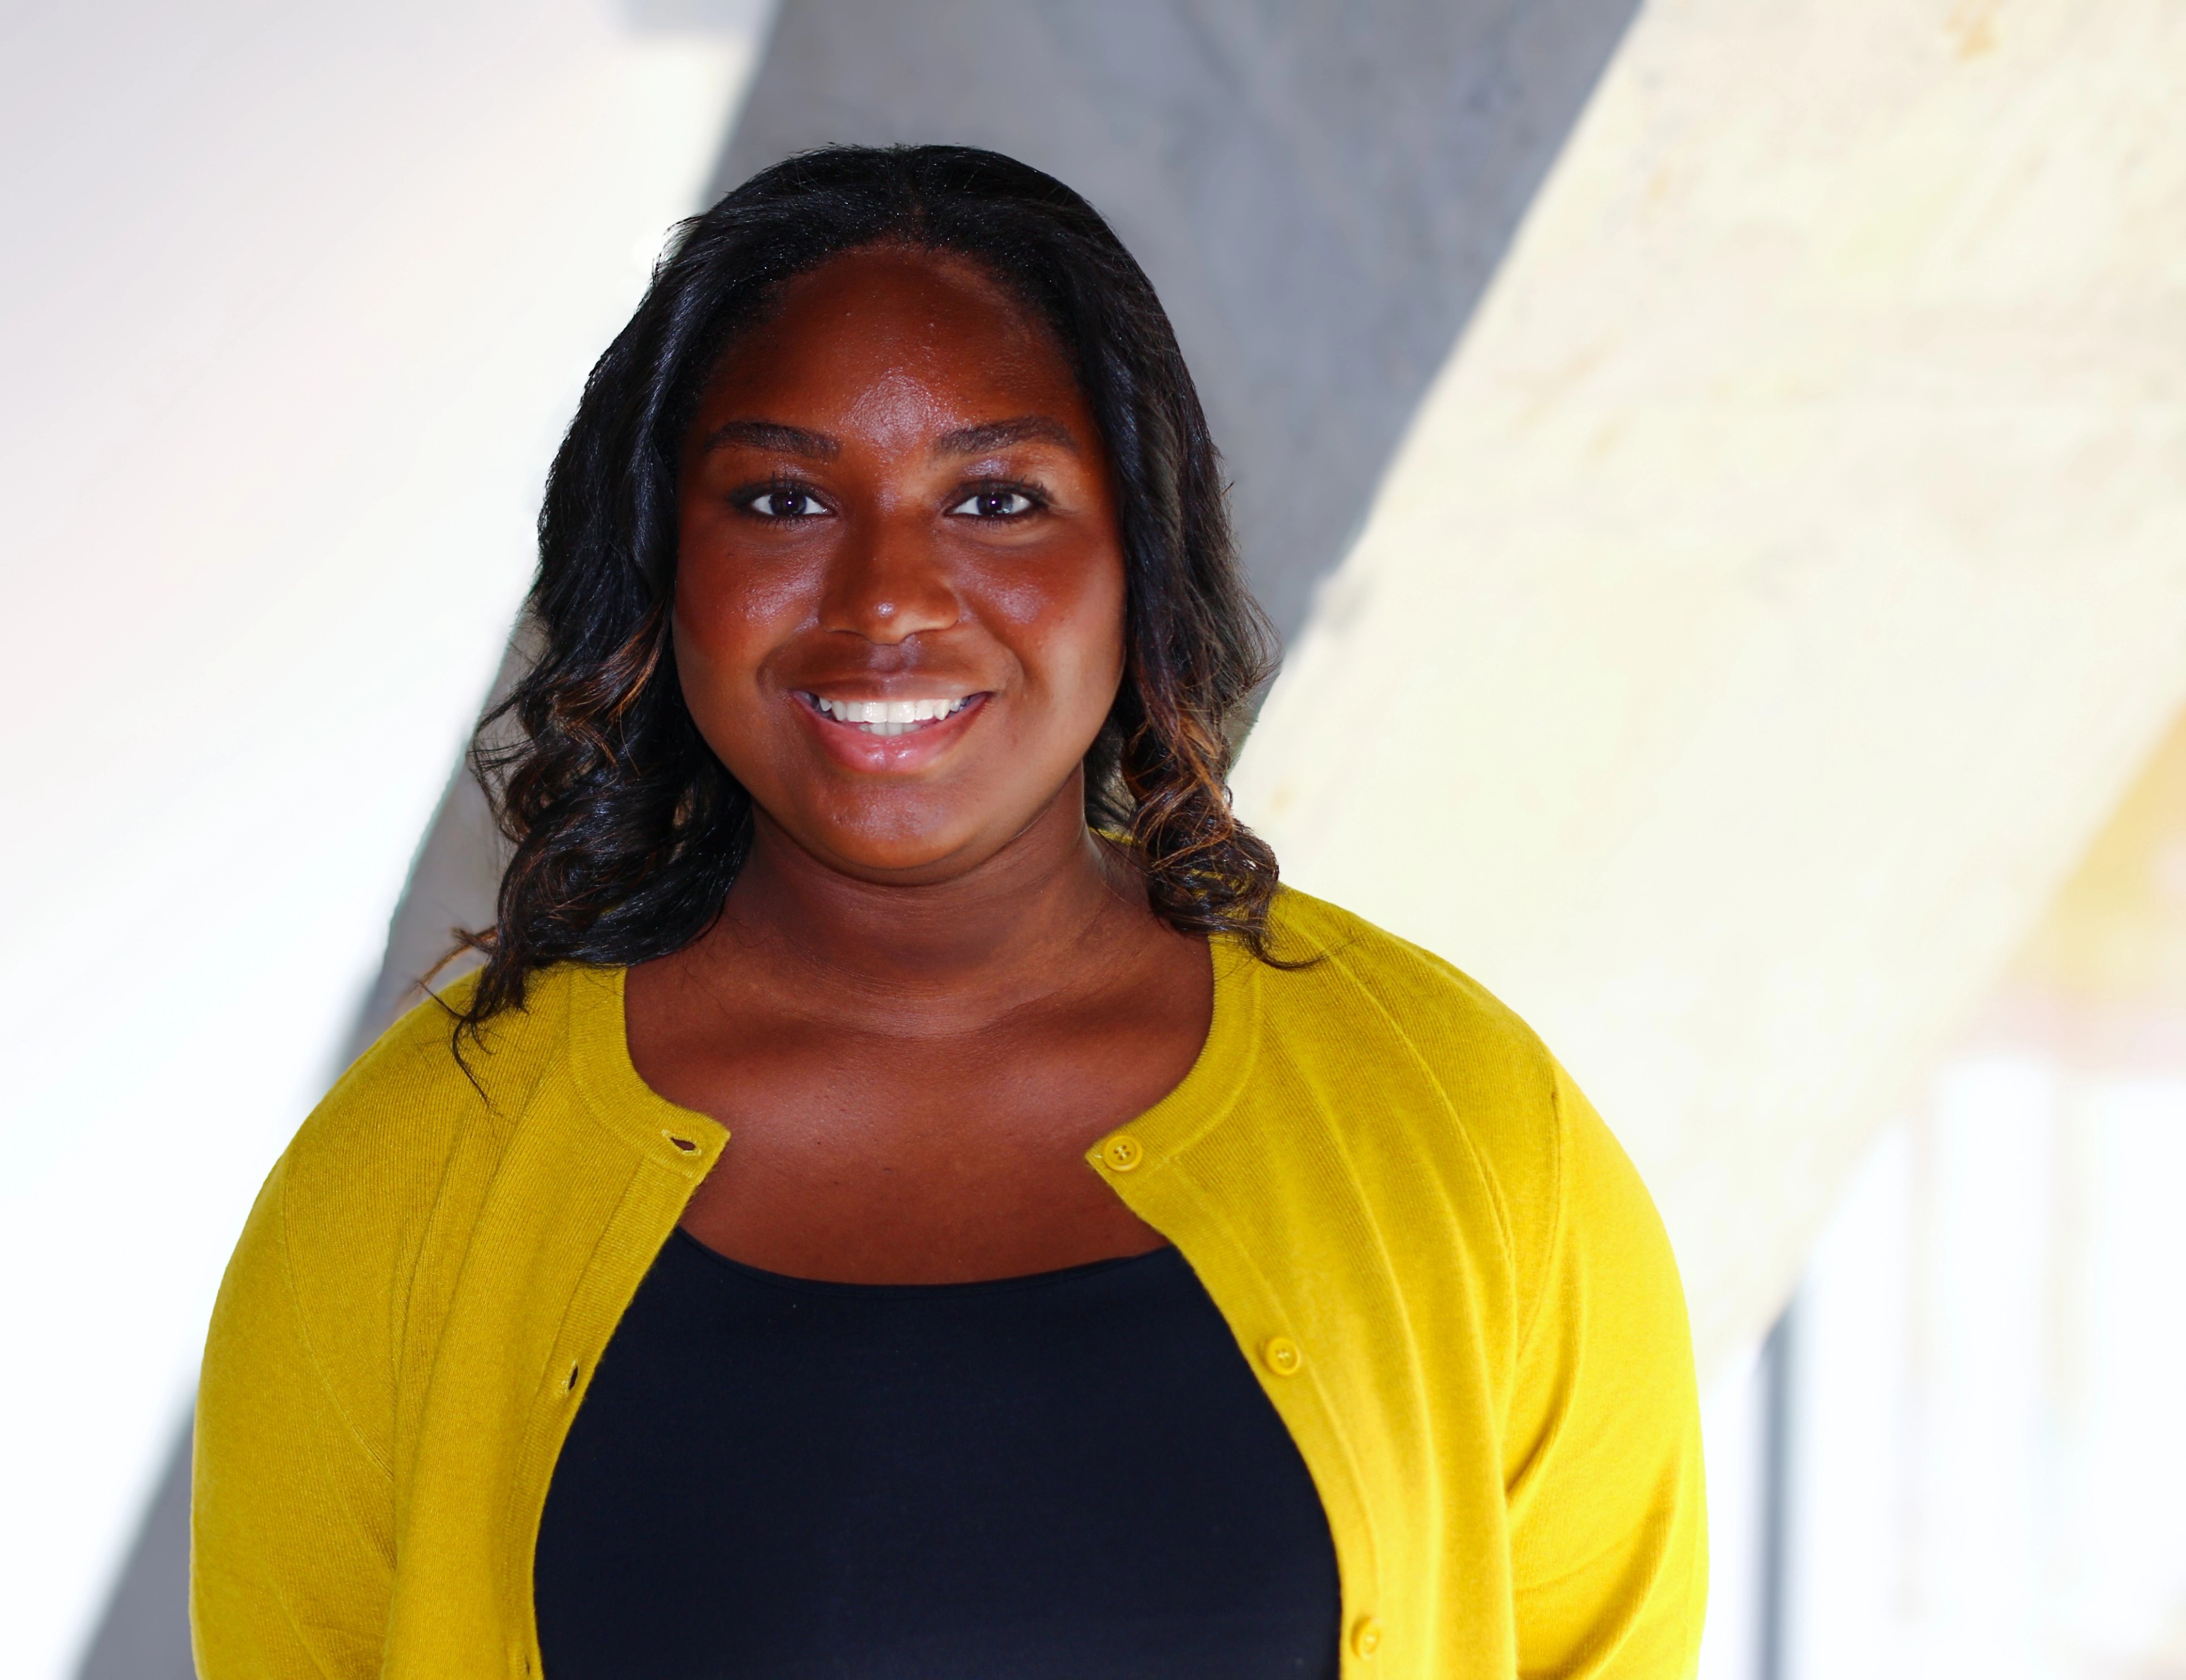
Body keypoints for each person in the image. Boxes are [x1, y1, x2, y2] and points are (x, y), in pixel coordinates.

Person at [191, 145, 1705, 1679]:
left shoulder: (1463, 1133)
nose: (889, 598)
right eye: (783, 497)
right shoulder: (405, 1187)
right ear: (663, 559)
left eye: (997, 496)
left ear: (1139, 550)